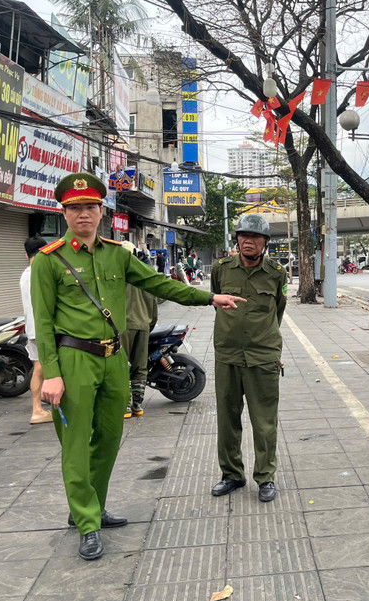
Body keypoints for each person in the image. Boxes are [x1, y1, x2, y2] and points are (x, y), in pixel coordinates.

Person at [31, 172, 246, 561]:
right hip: (74, 360)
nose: (83, 214)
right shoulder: (49, 261)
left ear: (102, 211)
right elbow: (43, 323)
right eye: (75, 208)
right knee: (76, 444)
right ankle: (87, 523)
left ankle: (91, 506)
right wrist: (53, 373)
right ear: (64, 213)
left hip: (115, 359)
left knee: (109, 438)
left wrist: (209, 298)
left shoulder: (117, 254)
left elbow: (160, 285)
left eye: (90, 207)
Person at [209, 213, 287, 503]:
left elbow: (278, 309)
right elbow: (216, 301)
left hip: (262, 356)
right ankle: (232, 474)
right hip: (227, 355)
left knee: (264, 421)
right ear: (237, 239)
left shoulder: (276, 273)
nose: (248, 241)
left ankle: (265, 477)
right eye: (243, 236)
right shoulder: (221, 269)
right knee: (227, 419)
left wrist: (263, 338)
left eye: (255, 237)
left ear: (265, 242)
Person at [120, 241, 158, 418]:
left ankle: (125, 406)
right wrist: (149, 324)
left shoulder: (117, 276)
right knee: (140, 367)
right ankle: (137, 405)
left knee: (121, 366)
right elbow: (154, 305)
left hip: (122, 326)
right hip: (143, 325)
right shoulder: (145, 274)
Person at [20, 235, 52, 424]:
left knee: (38, 367)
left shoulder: (25, 274)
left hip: (31, 327)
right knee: (41, 368)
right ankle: (37, 410)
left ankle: (38, 407)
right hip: (42, 328)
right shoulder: (40, 272)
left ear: (26, 254)